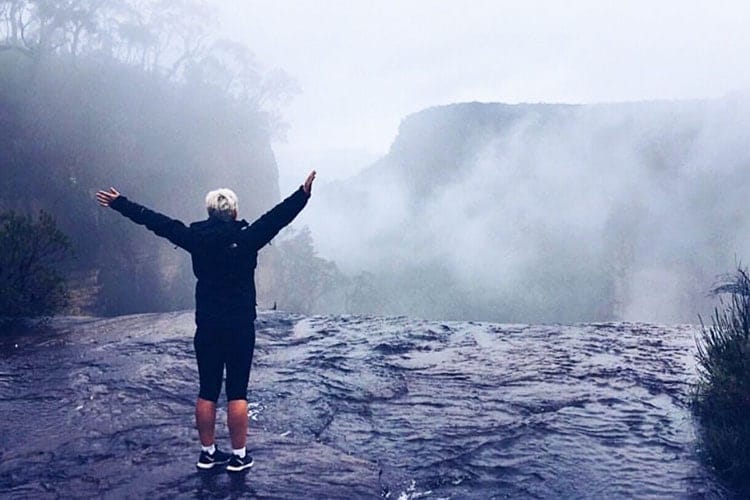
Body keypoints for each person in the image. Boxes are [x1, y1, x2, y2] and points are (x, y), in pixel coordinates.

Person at [96, 170, 316, 472]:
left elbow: (157, 222)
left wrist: (120, 202)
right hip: (240, 325)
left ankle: (208, 453)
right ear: (234, 212)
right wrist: (302, 195)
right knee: (237, 392)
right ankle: (239, 456)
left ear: (209, 212)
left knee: (207, 390)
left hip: (208, 325)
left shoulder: (195, 238)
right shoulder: (247, 237)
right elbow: (277, 218)